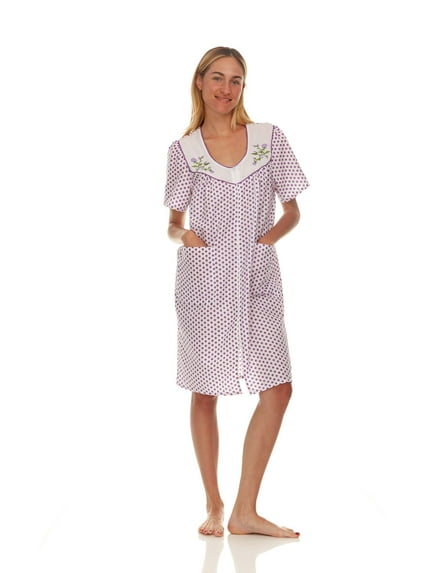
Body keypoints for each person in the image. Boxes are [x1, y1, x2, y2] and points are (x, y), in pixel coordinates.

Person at [164, 46, 308, 538]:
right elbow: (172, 223)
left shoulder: (269, 139)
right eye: (218, 78)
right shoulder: (184, 151)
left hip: (257, 278)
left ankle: (246, 510)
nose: (227, 88)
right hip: (203, 281)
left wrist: (267, 240)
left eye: (236, 80)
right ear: (200, 81)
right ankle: (214, 504)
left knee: (278, 388)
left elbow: (293, 210)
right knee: (205, 390)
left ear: (244, 87)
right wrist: (186, 237)